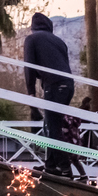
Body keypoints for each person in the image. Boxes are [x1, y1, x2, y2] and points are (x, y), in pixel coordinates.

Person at [21, 13, 76, 176]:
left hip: (54, 86)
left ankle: (65, 168)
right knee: (51, 126)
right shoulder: (59, 42)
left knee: (52, 129)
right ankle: (51, 165)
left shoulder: (32, 39)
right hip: (67, 86)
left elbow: (29, 67)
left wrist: (31, 93)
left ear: (33, 27)